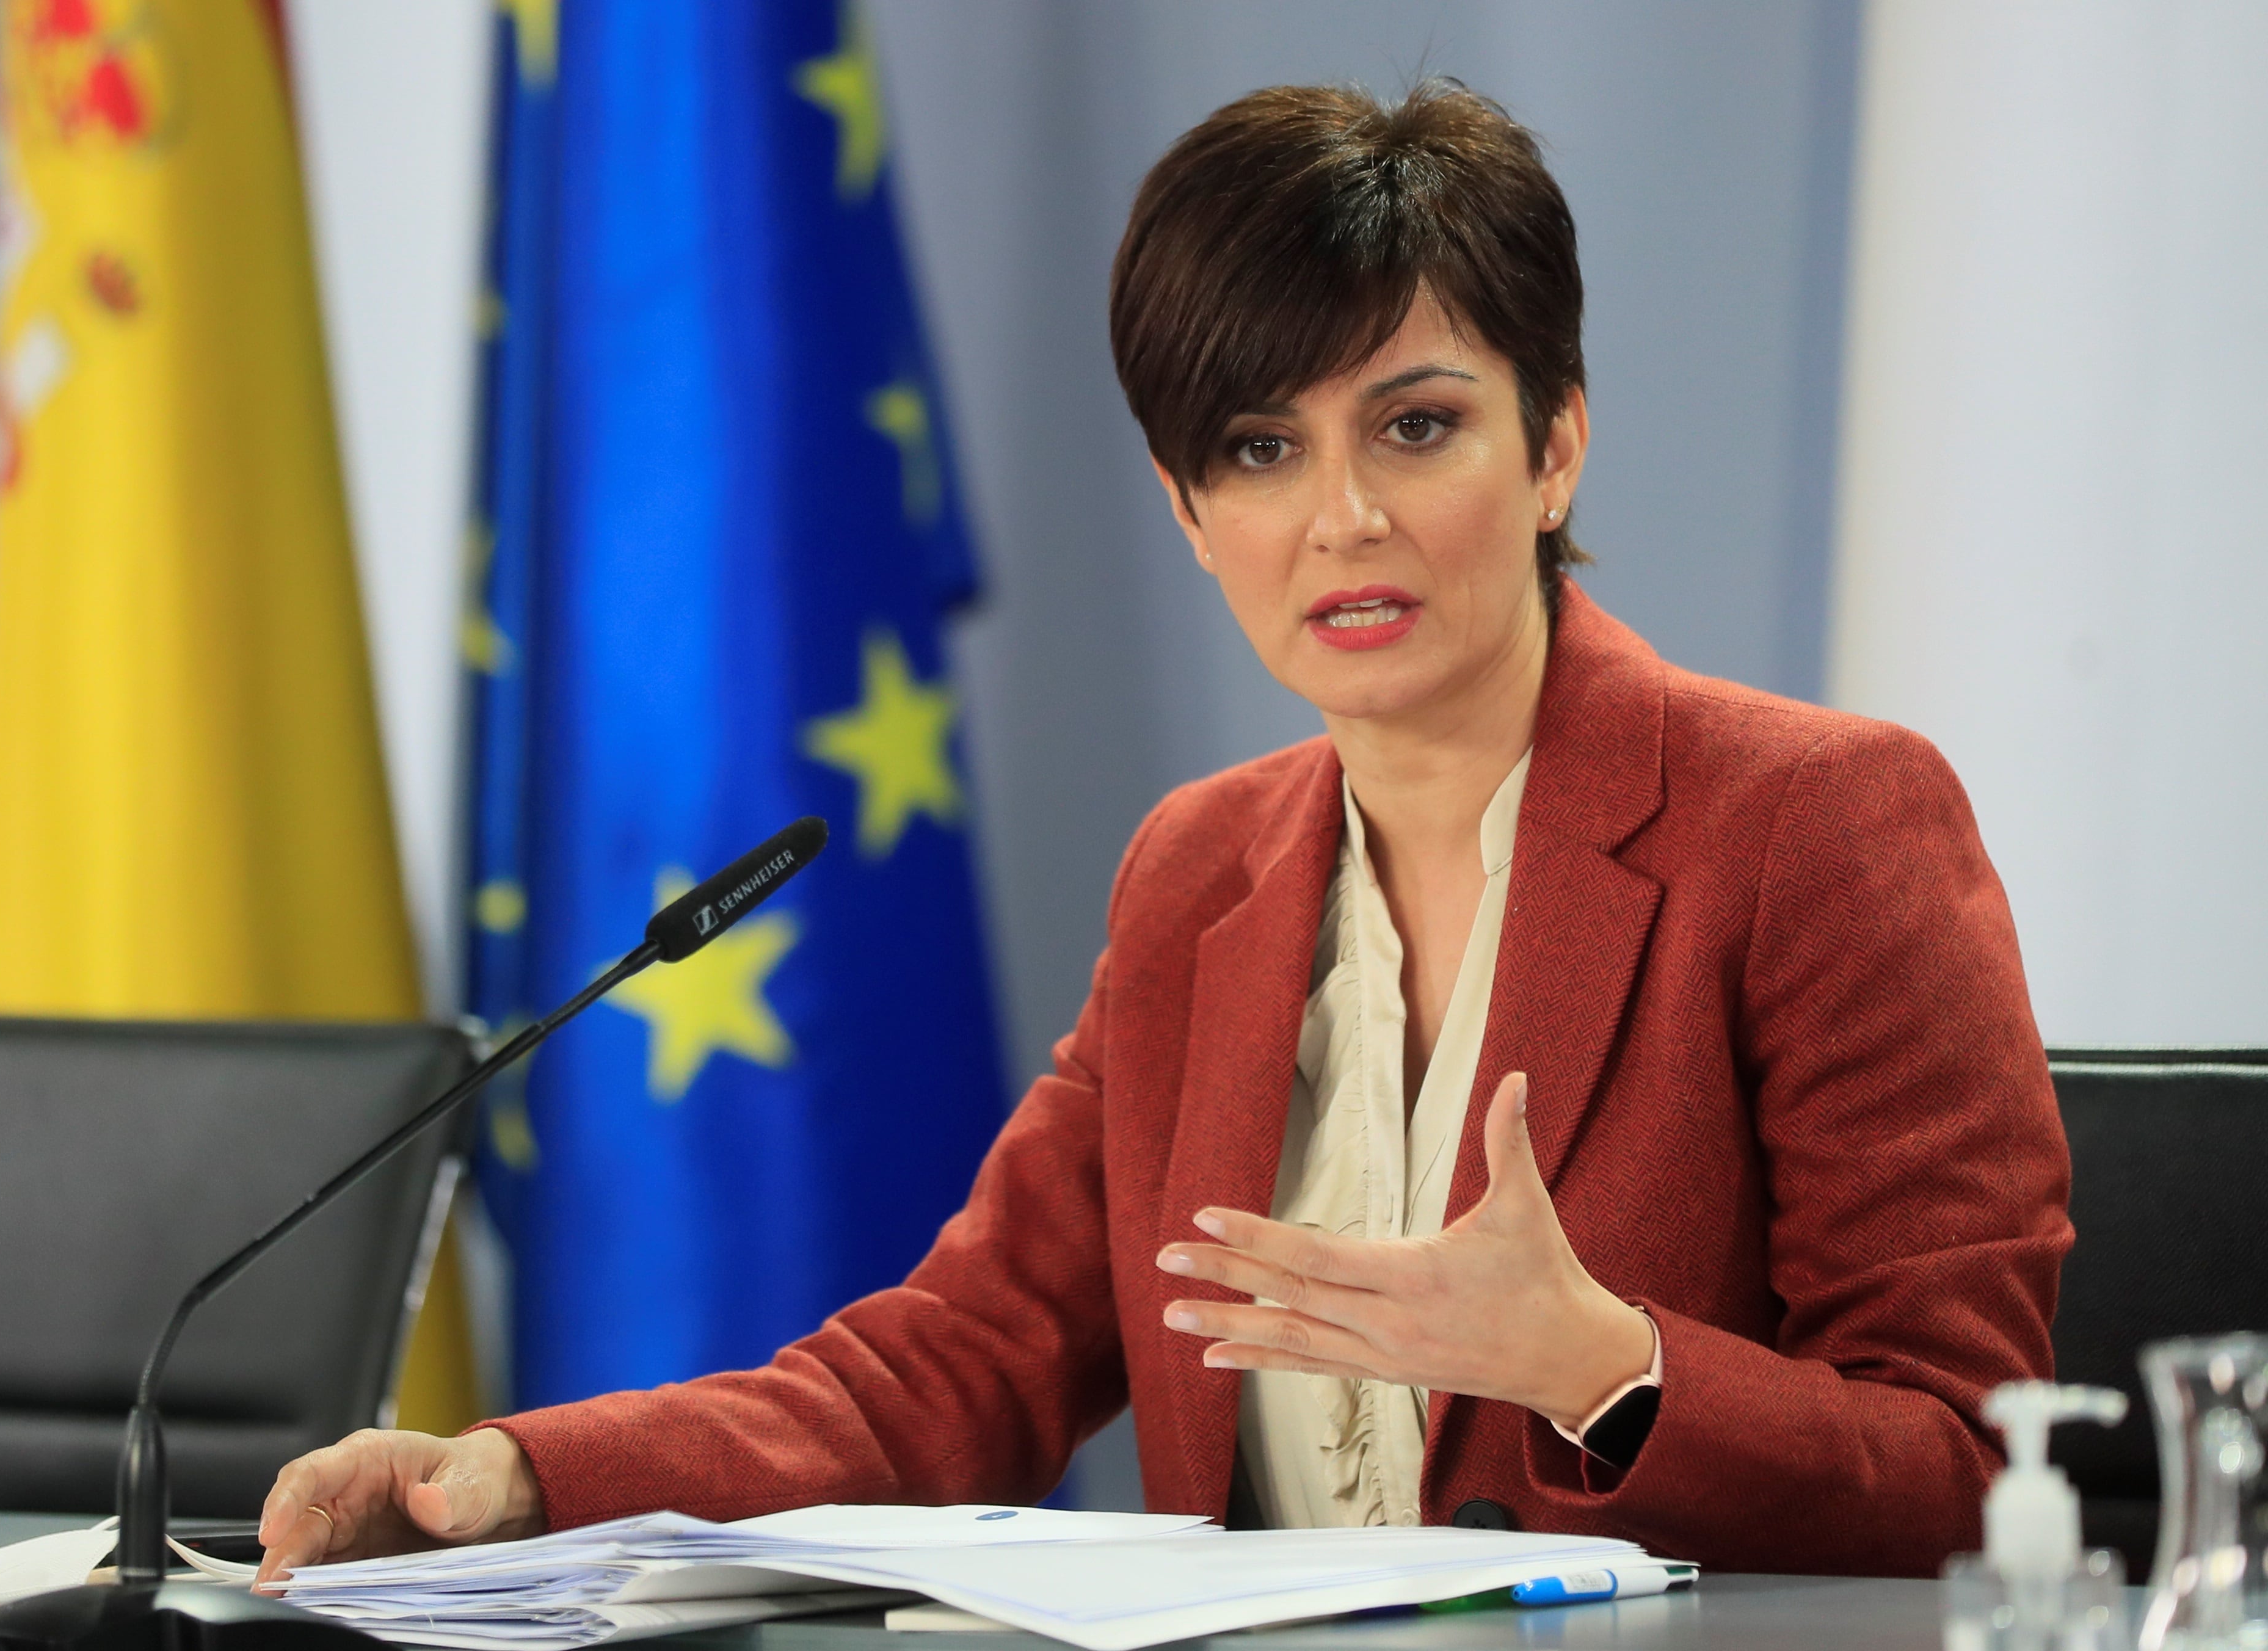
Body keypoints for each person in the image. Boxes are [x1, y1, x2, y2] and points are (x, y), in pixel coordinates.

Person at [256, 82, 2069, 1581]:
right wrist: (511, 1473)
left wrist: (1602, 1365)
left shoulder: (1816, 822)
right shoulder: (1202, 875)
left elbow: (1976, 1472)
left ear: (1557, 447)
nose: (1343, 515)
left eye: (1417, 426)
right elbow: (954, 1370)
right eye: (1261, 452)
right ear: (1190, 512)